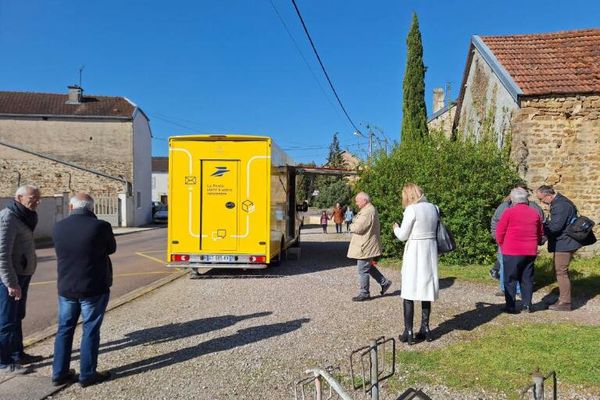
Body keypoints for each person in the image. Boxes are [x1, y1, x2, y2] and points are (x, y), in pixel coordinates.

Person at [52, 193, 116, 387]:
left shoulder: (58, 227)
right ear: (91, 208)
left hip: (66, 288)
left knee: (64, 330)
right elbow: (111, 249)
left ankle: (59, 373)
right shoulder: (101, 226)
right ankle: (87, 374)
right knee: (90, 330)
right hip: (93, 287)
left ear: (71, 207)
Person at [0, 185, 42, 375]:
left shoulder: (25, 215)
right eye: (33, 197)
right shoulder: (8, 217)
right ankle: (3, 361)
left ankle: (18, 354)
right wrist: (10, 283)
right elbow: (2, 254)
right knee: (6, 320)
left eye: (38, 198)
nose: (37, 201)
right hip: (10, 278)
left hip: (23, 274)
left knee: (17, 316)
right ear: (19, 197)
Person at [393, 184, 439, 344]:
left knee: (409, 291)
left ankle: (409, 331)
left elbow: (403, 236)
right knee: (426, 290)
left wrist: (395, 228)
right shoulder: (434, 208)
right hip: (430, 251)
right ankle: (425, 328)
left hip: (415, 251)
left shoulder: (412, 210)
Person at [495, 187, 543, 314]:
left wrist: (501, 244)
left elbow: (500, 231)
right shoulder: (534, 213)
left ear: (513, 199)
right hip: (530, 250)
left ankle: (510, 306)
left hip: (512, 250)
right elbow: (540, 233)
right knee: (527, 278)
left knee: (510, 279)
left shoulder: (509, 212)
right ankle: (527, 305)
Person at [535, 185, 582, 311]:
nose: (542, 202)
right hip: (565, 242)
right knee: (560, 271)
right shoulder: (560, 202)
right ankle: (562, 297)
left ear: (548, 195)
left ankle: (565, 303)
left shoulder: (560, 205)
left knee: (561, 271)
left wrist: (543, 227)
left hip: (565, 243)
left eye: (541, 199)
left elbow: (555, 227)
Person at [347, 192, 391, 302]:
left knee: (363, 270)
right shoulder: (369, 210)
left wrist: (350, 225)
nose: (356, 203)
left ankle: (364, 293)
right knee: (367, 267)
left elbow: (359, 228)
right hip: (366, 244)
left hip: (365, 245)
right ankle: (384, 282)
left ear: (364, 201)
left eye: (357, 200)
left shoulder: (367, 212)